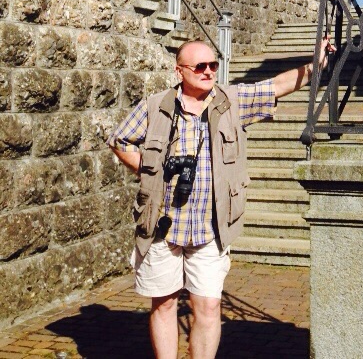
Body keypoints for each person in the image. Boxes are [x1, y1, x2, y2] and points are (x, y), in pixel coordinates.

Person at [108, 35, 333, 359]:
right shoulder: (155, 106)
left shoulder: (232, 101)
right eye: (200, 66)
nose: (208, 71)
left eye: (213, 65)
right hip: (161, 225)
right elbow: (120, 140)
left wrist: (316, 63)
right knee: (164, 304)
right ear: (179, 71)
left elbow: (276, 86)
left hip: (211, 228)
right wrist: (151, 169)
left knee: (209, 307)